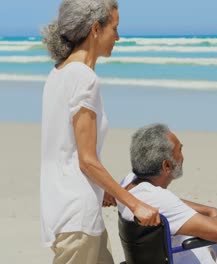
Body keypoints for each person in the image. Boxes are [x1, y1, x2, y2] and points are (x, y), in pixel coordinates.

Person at [40, 1, 159, 263]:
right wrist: (133, 203)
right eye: (114, 28)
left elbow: (65, 150)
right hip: (76, 213)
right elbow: (86, 159)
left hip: (62, 206)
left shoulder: (58, 74)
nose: (117, 36)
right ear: (95, 29)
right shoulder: (85, 79)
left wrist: (103, 190)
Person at [118, 123, 217, 264]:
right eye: (180, 150)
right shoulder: (160, 199)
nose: (182, 157)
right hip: (185, 257)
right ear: (167, 166)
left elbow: (171, 204)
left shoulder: (128, 185)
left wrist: (209, 210)